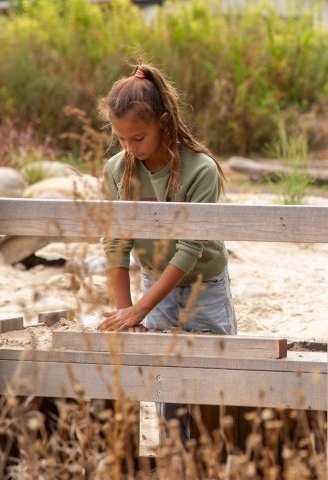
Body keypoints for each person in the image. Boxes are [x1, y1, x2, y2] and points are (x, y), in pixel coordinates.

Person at [99, 63, 237, 439]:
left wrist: (141, 307)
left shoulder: (200, 170)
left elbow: (191, 247)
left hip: (203, 288)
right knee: (162, 381)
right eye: (121, 139)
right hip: (151, 284)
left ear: (164, 122)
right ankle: (170, 464)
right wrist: (125, 312)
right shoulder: (117, 169)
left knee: (212, 376)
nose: (129, 148)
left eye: (138, 138)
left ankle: (213, 463)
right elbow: (116, 243)